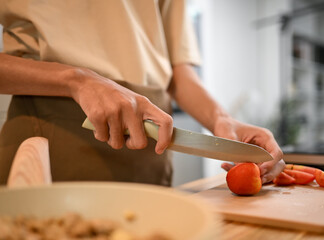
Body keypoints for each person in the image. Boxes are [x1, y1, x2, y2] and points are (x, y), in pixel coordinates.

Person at [0, 0, 284, 186]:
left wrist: (222, 120)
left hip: (151, 147)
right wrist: (77, 80)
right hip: (52, 137)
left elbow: (177, 73)